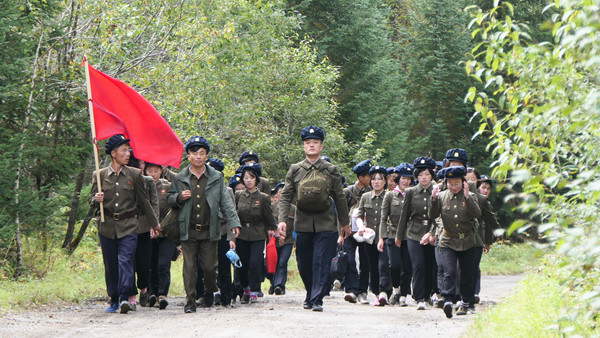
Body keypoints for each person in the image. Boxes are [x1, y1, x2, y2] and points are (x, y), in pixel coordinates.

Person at [278, 126, 350, 312]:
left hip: (326, 223)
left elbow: (340, 197)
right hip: (302, 223)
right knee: (304, 262)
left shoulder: (330, 170)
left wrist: (344, 223)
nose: (312, 146)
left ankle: (317, 298)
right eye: (308, 143)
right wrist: (282, 220)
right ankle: (310, 293)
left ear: (321, 146)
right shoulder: (295, 170)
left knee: (321, 260)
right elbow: (285, 196)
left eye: (315, 143)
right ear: (303, 146)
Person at [167, 136, 241, 313]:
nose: (198, 156)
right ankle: (190, 301)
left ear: (207, 156)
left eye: (202, 153)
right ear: (189, 156)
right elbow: (169, 198)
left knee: (209, 268)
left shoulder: (216, 177)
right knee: (190, 268)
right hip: (188, 230)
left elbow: (226, 201)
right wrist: (179, 197)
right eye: (194, 153)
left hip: (210, 230)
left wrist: (234, 222)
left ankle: (209, 289)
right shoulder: (180, 177)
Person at [90, 134, 159, 314]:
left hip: (129, 225)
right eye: (123, 150)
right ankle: (113, 297)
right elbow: (90, 202)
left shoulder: (135, 174)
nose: (128, 153)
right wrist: (95, 199)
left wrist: (154, 224)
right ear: (113, 153)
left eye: (128, 150)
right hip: (107, 226)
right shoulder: (99, 175)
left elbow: (144, 202)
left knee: (126, 260)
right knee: (111, 263)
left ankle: (124, 297)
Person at [430, 166, 481, 318]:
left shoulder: (471, 195)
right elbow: (432, 215)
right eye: (451, 183)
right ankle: (448, 299)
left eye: (457, 183)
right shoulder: (442, 196)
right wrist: (433, 200)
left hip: (467, 240)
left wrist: (467, 197)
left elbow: (477, 214)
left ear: (463, 183)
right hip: (448, 240)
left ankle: (465, 302)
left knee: (466, 273)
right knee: (449, 271)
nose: (453, 187)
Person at [395, 156, 437, 311]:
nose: (423, 178)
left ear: (431, 175)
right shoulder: (411, 192)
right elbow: (404, 215)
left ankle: (427, 295)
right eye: (420, 175)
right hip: (413, 233)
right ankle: (419, 297)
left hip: (431, 232)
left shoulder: (437, 191)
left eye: (426, 174)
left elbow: (438, 216)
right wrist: (399, 236)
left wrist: (432, 233)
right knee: (418, 265)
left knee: (429, 265)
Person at [234, 162, 276, 304]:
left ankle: (254, 290)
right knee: (242, 264)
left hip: (258, 234)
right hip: (241, 234)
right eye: (246, 178)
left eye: (251, 177)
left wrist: (274, 229)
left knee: (254, 263)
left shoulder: (263, 197)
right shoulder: (238, 195)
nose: (248, 180)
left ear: (256, 179)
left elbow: (268, 216)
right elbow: (234, 214)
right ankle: (245, 288)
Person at [379, 162, 414, 306]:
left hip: (409, 235)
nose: (405, 181)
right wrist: (382, 237)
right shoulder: (389, 195)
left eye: (408, 178)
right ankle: (396, 289)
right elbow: (383, 217)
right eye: (403, 178)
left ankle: (404, 295)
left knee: (407, 267)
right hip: (393, 234)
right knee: (394, 265)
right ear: (398, 179)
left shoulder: (413, 194)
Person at [127, 153, 159, 310]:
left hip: (145, 226)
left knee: (143, 262)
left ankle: (144, 288)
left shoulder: (148, 181)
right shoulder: (125, 179)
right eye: (137, 163)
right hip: (127, 227)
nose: (140, 166)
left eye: (142, 164)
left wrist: (155, 224)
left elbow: (153, 203)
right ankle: (130, 294)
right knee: (129, 261)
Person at [355, 165, 389, 306]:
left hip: (385, 236)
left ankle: (384, 291)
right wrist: (361, 226)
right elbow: (358, 215)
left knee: (384, 265)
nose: (376, 182)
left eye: (380, 179)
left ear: (385, 181)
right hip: (369, 238)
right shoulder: (365, 196)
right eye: (374, 179)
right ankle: (376, 292)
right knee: (372, 265)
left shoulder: (389, 196)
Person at [342, 160, 373, 305]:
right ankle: (352, 290)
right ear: (361, 178)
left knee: (365, 261)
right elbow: (341, 214)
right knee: (349, 260)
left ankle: (363, 291)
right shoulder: (347, 192)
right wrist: (340, 233)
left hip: (365, 233)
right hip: (350, 232)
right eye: (368, 176)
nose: (371, 179)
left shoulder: (371, 193)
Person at [145, 162, 176, 310]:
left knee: (163, 264)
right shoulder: (142, 186)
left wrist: (162, 227)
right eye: (149, 170)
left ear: (161, 171)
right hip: (148, 232)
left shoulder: (168, 187)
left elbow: (174, 209)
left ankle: (163, 294)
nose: (152, 174)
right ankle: (152, 292)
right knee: (150, 264)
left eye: (156, 170)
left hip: (166, 233)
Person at [269, 183, 295, 295]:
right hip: (274, 240)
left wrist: (285, 235)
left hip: (288, 240)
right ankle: (274, 283)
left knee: (282, 261)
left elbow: (296, 225)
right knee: (274, 262)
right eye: (280, 193)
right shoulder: (272, 207)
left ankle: (279, 285)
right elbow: (269, 222)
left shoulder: (293, 208)